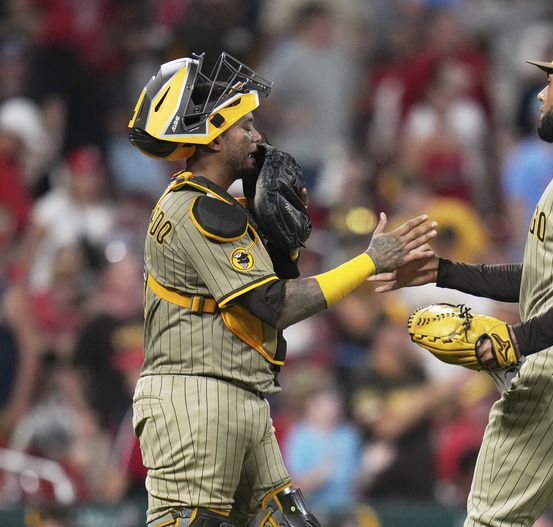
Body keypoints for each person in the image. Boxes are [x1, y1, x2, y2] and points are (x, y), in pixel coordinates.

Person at [127, 52, 437, 527]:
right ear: (211, 135)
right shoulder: (194, 210)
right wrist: (369, 262)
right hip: (194, 397)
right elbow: (275, 305)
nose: (256, 136)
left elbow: (271, 288)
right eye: (244, 126)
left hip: (240, 396)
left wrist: (280, 241)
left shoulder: (222, 207)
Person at [371, 37, 553, 526]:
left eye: (548, 82)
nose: (539, 95)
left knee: (493, 519)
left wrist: (520, 339)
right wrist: (447, 272)